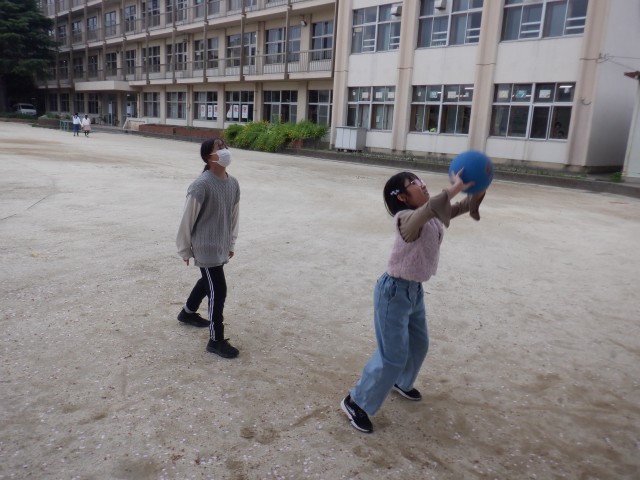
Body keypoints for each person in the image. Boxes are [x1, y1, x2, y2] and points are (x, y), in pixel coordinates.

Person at [340, 169, 486, 433]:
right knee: (392, 355)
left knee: (419, 344)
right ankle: (356, 401)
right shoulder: (405, 220)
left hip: (414, 291)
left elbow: (457, 208)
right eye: (414, 183)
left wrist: (478, 191)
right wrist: (454, 188)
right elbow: (432, 208)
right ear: (402, 197)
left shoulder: (429, 216)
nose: (423, 184)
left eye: (420, 180)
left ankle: (400, 382)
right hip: (393, 293)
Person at [176, 138, 240, 359]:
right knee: (218, 290)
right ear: (208, 157)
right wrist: (185, 249)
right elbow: (187, 219)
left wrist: (231, 242)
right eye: (219, 148)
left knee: (208, 281)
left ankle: (187, 312)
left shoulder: (233, 183)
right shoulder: (201, 185)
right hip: (205, 246)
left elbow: (233, 215)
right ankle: (216, 340)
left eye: (225, 146)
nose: (225, 150)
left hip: (220, 244)